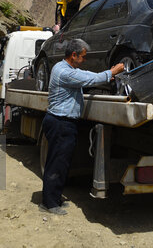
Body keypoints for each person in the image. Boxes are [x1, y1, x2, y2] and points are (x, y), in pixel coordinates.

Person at [39, 39, 124, 215]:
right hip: (61, 123)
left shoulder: (64, 68)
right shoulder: (65, 73)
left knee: (59, 162)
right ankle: (49, 203)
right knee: (57, 163)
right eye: (83, 57)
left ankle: (53, 198)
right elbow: (90, 78)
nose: (84, 60)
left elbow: (84, 73)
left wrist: (107, 74)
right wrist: (111, 72)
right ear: (73, 55)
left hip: (60, 122)